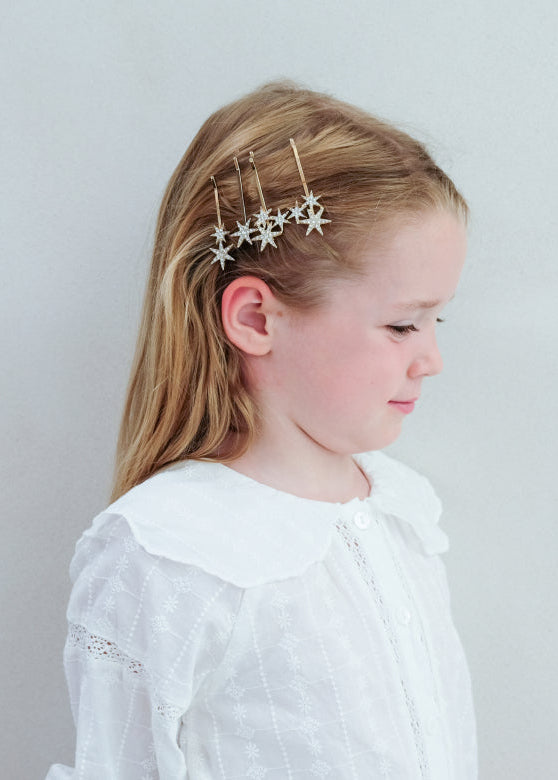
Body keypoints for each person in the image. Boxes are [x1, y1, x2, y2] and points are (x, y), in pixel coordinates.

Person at [46, 82, 477, 779]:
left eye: (437, 321)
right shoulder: (169, 552)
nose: (431, 359)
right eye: (402, 324)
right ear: (255, 319)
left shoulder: (398, 506)